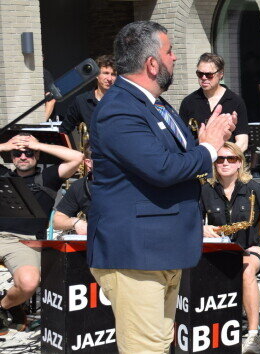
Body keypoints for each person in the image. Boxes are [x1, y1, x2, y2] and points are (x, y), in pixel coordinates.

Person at [87, 20, 236, 352]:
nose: (175, 59)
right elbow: (163, 168)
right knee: (147, 348)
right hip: (136, 254)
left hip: (163, 249)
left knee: (158, 344)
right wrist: (209, 148)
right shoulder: (120, 109)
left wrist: (207, 139)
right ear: (151, 63)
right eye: (169, 52)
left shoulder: (155, 104)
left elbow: (182, 154)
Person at [199, 142, 260, 353]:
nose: (225, 163)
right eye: (220, 159)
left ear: (239, 163)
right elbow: (191, 220)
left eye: (231, 159)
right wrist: (202, 228)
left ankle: (253, 334)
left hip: (249, 250)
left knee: (246, 270)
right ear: (214, 164)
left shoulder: (253, 188)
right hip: (218, 251)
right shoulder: (205, 190)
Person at [0, 133, 82, 332]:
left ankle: (4, 306)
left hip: (23, 242)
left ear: (37, 155)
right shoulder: (3, 174)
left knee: (29, 283)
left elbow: (77, 158)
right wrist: (5, 145)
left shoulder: (48, 177)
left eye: (28, 153)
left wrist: (38, 144)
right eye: (17, 153)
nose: (22, 156)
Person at [180, 52, 250, 151]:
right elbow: (182, 139)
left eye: (209, 75)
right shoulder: (188, 102)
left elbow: (242, 142)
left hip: (224, 162)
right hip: (199, 160)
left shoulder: (235, 101)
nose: (203, 78)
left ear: (221, 74)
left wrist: (226, 158)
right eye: (200, 74)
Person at [59, 55, 117, 137]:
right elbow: (63, 131)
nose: (110, 78)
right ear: (96, 75)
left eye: (113, 74)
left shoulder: (123, 101)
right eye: (105, 73)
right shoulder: (81, 101)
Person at [53, 148, 94, 235]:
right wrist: (75, 222)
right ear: (88, 162)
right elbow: (57, 220)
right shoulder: (79, 186)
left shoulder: (127, 182)